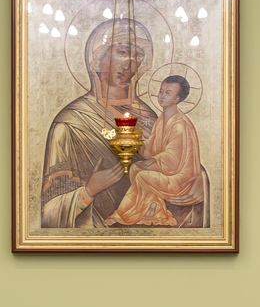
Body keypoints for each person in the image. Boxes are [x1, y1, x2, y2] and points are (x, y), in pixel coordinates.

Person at [40, 19, 158, 229]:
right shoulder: (71, 123)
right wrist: (89, 191)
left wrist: (194, 182)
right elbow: (48, 213)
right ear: (96, 58)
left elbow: (174, 169)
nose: (129, 64)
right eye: (122, 52)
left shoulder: (149, 117)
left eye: (138, 55)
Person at [109, 75, 207, 227]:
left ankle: (124, 215)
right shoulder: (162, 119)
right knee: (135, 168)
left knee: (143, 176)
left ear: (177, 99)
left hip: (181, 179)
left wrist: (153, 161)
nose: (161, 95)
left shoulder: (179, 125)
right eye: (161, 91)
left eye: (167, 93)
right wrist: (136, 140)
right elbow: (152, 148)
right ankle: (151, 209)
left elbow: (173, 160)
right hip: (168, 171)